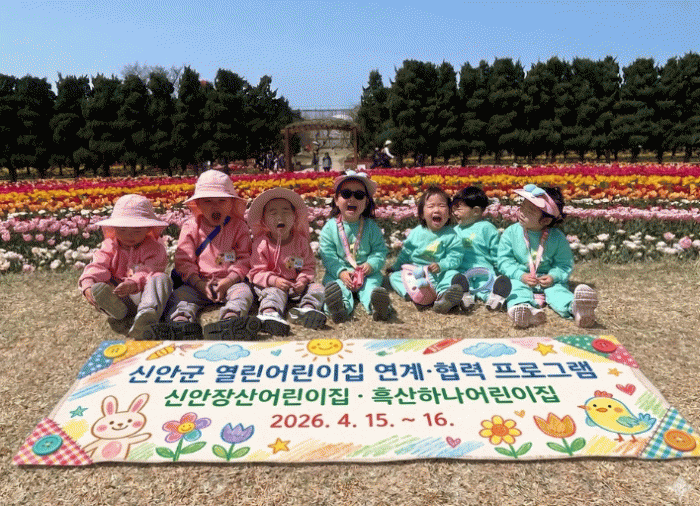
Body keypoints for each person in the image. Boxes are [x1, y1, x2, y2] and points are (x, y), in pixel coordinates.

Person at [147, 170, 259, 340]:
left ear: (231, 203)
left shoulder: (239, 226)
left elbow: (244, 258)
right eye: (208, 201)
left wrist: (230, 280)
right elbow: (184, 261)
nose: (215, 206)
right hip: (197, 283)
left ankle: (231, 319)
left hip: (230, 282)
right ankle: (181, 322)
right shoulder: (191, 226)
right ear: (198, 204)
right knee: (179, 297)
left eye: (222, 200)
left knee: (244, 293)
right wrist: (199, 284)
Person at [497, 184, 599, 328]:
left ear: (545, 221)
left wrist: (553, 277)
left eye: (530, 211)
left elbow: (564, 264)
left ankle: (576, 309)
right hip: (521, 279)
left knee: (558, 291)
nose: (522, 212)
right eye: (522, 206)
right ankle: (523, 309)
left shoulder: (557, 238)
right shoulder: (511, 233)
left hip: (549, 282)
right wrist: (520, 275)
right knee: (515, 288)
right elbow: (504, 260)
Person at [79, 194, 172, 339]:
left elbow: (149, 269)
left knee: (161, 278)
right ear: (114, 228)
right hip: (119, 294)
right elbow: (98, 264)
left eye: (137, 231)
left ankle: (147, 314)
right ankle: (115, 309)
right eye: (122, 230)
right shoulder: (110, 245)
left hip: (145, 294)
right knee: (100, 288)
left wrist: (134, 283)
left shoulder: (155, 247)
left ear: (148, 228)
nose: (129, 236)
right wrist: (88, 282)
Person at [247, 188, 326, 335]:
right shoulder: (261, 244)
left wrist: (302, 280)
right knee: (273, 293)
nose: (280, 217)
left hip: (296, 287)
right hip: (271, 286)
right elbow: (256, 272)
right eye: (273, 213)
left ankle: (307, 309)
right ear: (263, 220)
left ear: (295, 217)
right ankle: (269, 314)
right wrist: (274, 280)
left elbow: (308, 267)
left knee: (317, 288)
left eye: (285, 212)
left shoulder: (301, 242)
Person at [319, 171, 393, 323]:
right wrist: (340, 272)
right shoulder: (329, 228)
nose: (352, 199)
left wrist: (371, 265)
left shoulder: (371, 227)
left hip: (367, 274)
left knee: (371, 287)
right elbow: (328, 255)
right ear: (336, 200)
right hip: (339, 274)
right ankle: (339, 308)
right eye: (346, 194)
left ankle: (377, 306)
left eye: (359, 195)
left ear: (366, 202)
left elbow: (379, 251)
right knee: (337, 288)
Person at [389, 185, 467, 313]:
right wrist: (395, 266)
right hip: (416, 274)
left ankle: (444, 297)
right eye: (431, 206)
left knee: (452, 274)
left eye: (442, 206)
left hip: (438, 275)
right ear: (422, 214)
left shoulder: (451, 236)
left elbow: (455, 257)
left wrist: (442, 265)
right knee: (394, 277)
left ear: (449, 213)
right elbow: (406, 253)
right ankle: (410, 294)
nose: (436, 210)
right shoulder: (416, 232)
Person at [451, 186, 511, 311]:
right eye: (454, 209)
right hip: (462, 274)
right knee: (457, 282)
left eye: (459, 209)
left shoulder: (487, 228)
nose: (455, 213)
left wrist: (500, 270)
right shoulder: (454, 231)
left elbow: (496, 253)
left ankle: (494, 298)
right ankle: (465, 298)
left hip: (484, 272)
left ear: (476, 211)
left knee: (487, 285)